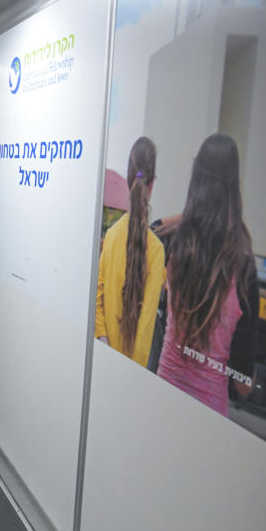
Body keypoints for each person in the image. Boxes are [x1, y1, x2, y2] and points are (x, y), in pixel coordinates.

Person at [157, 133, 258, 416]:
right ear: (234, 188)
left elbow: (151, 228)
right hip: (208, 418)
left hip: (162, 398)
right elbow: (244, 385)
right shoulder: (244, 268)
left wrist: (192, 216)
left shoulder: (176, 245)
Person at [95, 136, 166, 367]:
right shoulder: (156, 250)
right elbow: (146, 329)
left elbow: (98, 298)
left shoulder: (112, 236)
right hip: (131, 375)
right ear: (152, 184)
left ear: (127, 180)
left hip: (104, 362)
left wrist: (104, 345)